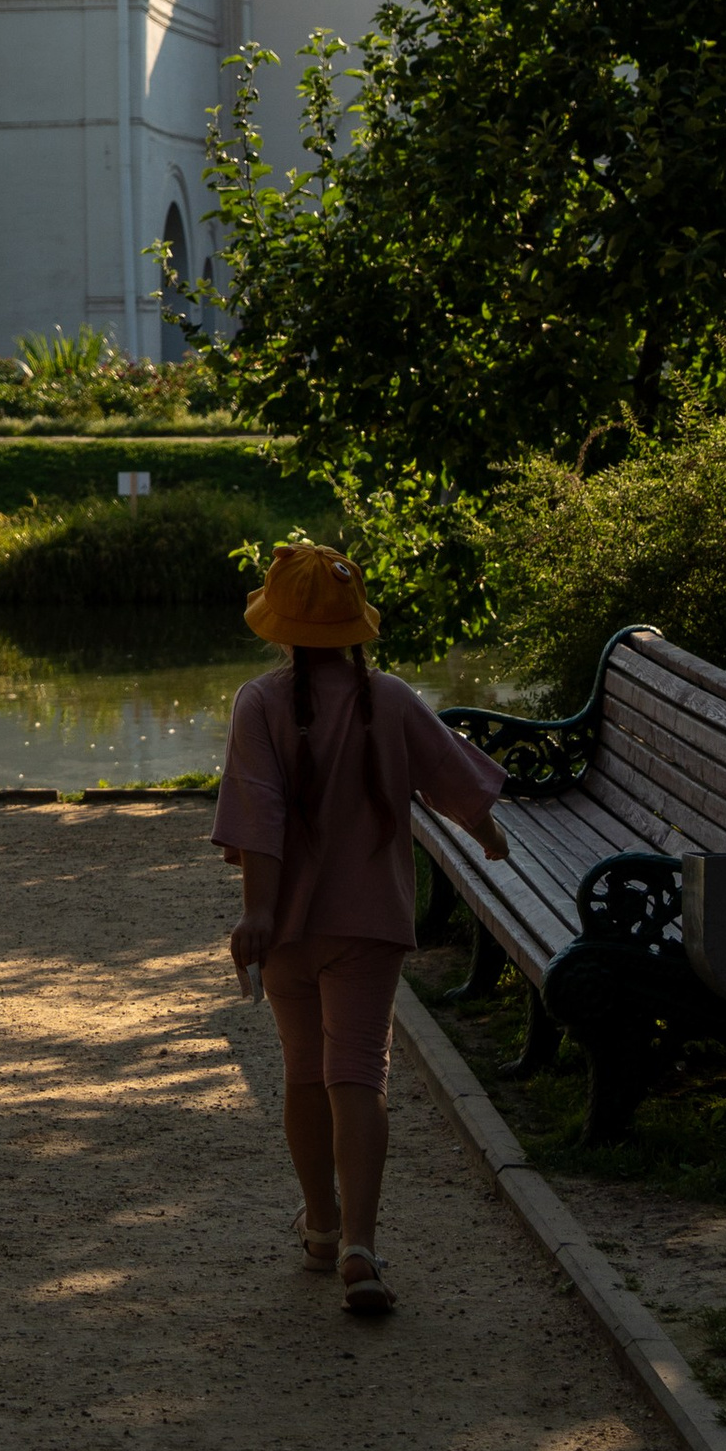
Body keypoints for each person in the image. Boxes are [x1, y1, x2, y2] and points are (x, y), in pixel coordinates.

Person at [212, 539, 510, 1317]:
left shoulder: (259, 704)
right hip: (372, 923)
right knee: (358, 1075)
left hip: (290, 927)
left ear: (279, 629)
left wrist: (258, 911)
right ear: (355, 627)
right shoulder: (393, 699)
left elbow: (258, 815)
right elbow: (455, 780)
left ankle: (320, 1226)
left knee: (305, 1074)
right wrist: (487, 831)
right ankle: (361, 1247)